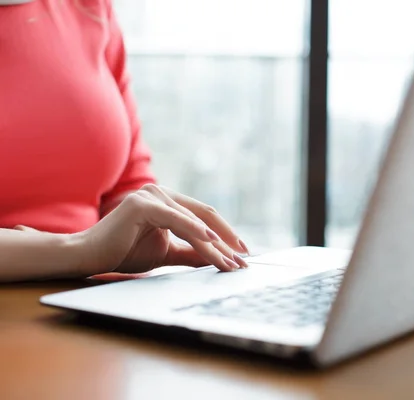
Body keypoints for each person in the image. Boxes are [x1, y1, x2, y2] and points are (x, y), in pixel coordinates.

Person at [0, 0, 248, 282]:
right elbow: (90, 248)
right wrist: (82, 251)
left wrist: (144, 230)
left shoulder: (88, 6)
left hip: (90, 297)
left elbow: (127, 181)